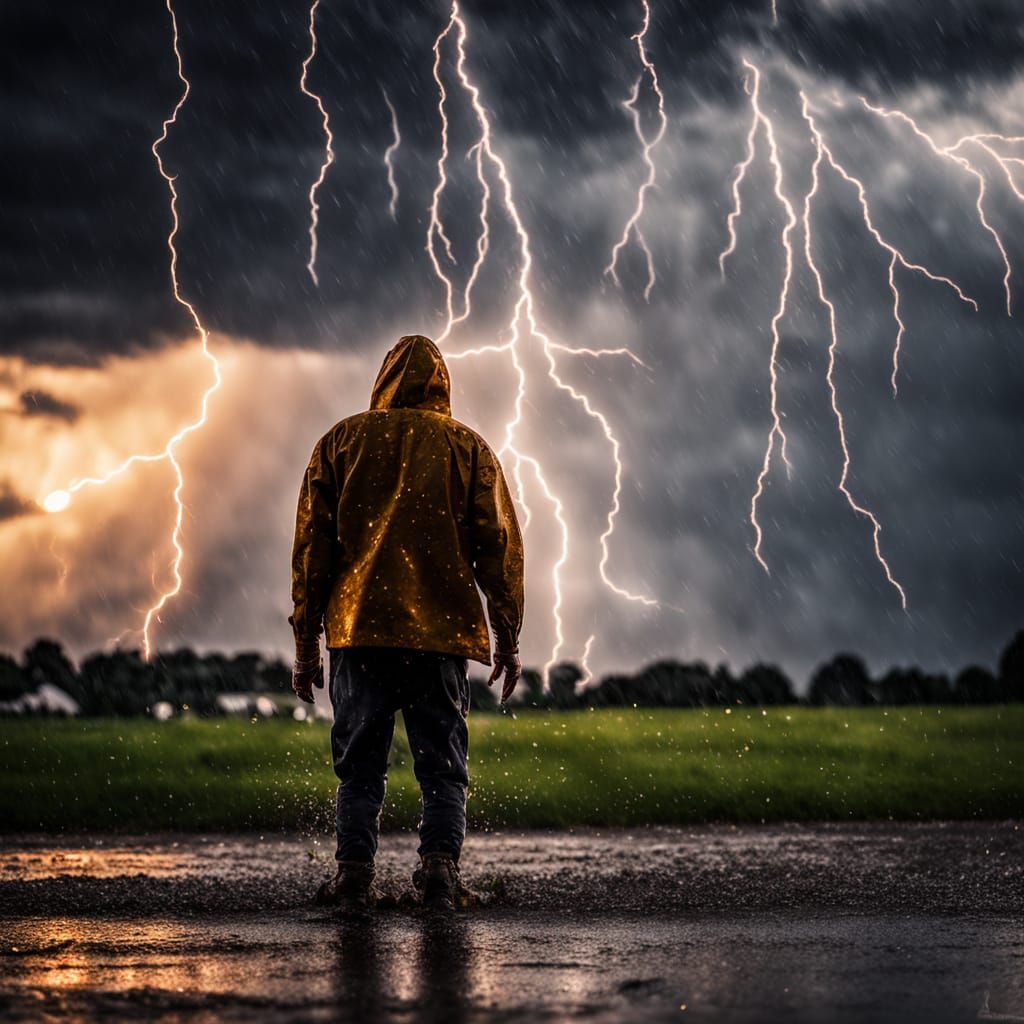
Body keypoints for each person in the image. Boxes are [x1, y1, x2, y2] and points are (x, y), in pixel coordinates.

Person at [289, 334, 524, 915]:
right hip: (440, 638)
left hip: (358, 632)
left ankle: (352, 881)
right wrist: (508, 638)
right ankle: (441, 878)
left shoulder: (339, 443)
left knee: (359, 770)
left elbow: (311, 555)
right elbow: (499, 550)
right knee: (444, 768)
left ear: (383, 381)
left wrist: (306, 647)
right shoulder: (468, 448)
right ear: (442, 384)